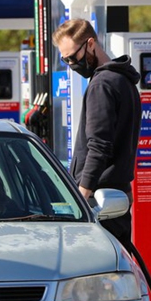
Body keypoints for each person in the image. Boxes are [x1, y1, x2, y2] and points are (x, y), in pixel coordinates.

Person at [52, 19, 141, 247]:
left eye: (73, 57)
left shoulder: (102, 85)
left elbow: (99, 146)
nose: (72, 64)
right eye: (66, 60)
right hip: (116, 197)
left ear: (91, 44)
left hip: (99, 201)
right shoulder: (123, 80)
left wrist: (81, 195)